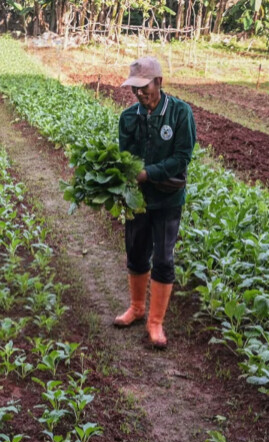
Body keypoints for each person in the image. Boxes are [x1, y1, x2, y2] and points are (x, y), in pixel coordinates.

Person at [114, 57, 197, 349]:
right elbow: (126, 157)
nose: (139, 94)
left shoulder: (180, 113)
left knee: (163, 258)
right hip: (137, 199)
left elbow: (182, 158)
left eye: (144, 87)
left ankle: (155, 322)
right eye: (134, 89)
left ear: (159, 82)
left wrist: (148, 173)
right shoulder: (128, 117)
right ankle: (137, 308)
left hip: (167, 199)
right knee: (136, 252)